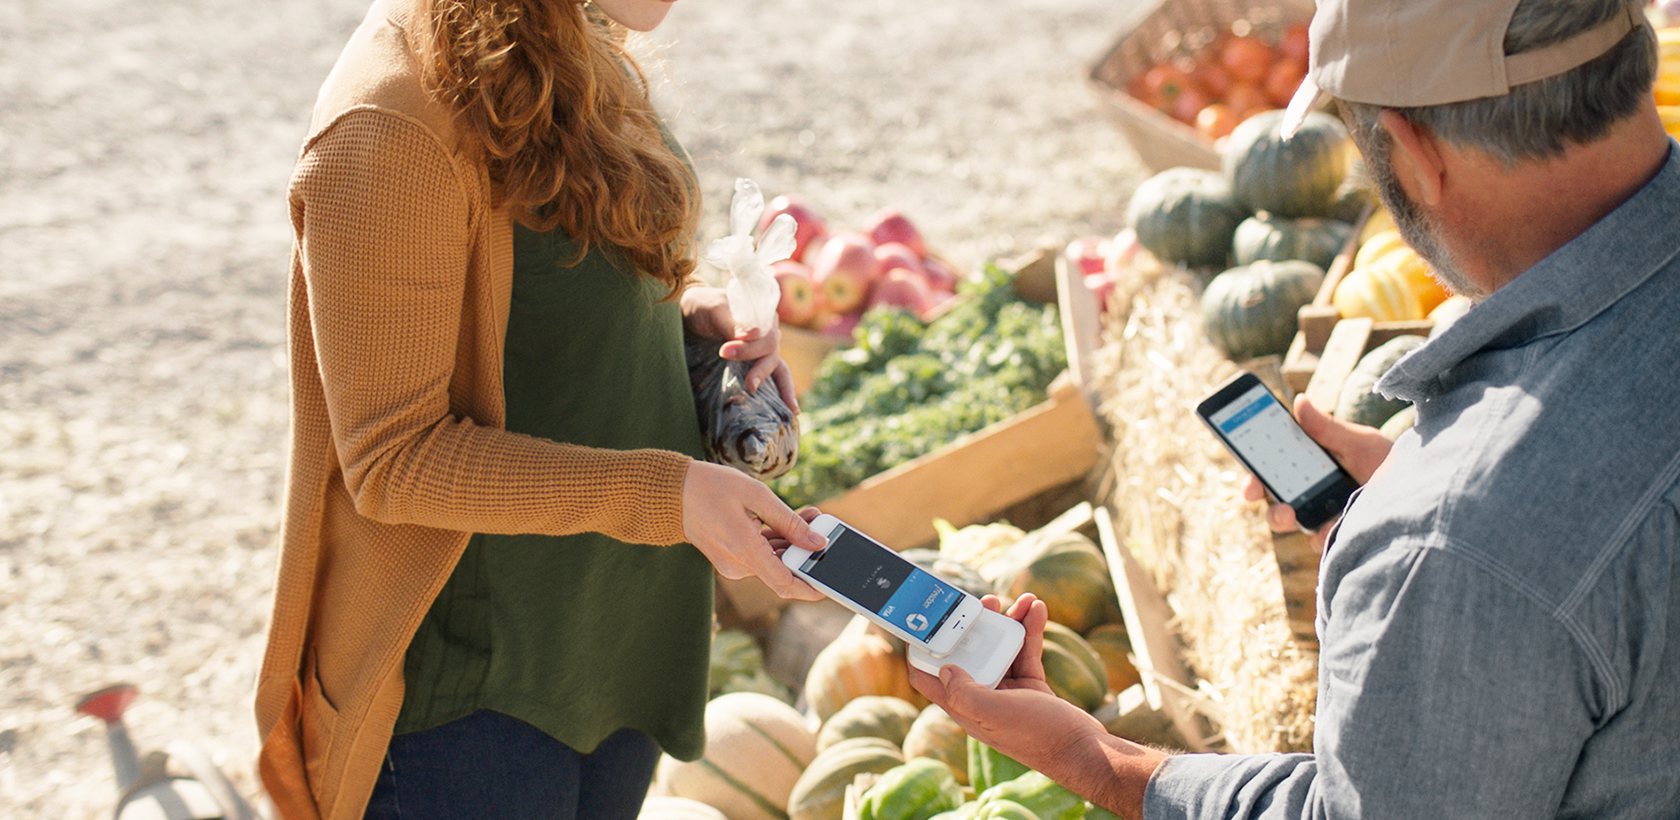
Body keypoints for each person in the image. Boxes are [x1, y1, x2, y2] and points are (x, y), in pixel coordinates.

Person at [915, 0, 1680, 816]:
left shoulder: (1461, 543)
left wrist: (1095, 757)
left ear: (1414, 154)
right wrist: (1446, 510)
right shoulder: (1474, 539)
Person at [252, 0, 827, 817]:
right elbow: (390, 460)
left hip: (612, 634)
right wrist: (668, 495)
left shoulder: (571, 27)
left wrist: (689, 318)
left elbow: (563, 279)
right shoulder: (387, 127)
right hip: (475, 704)